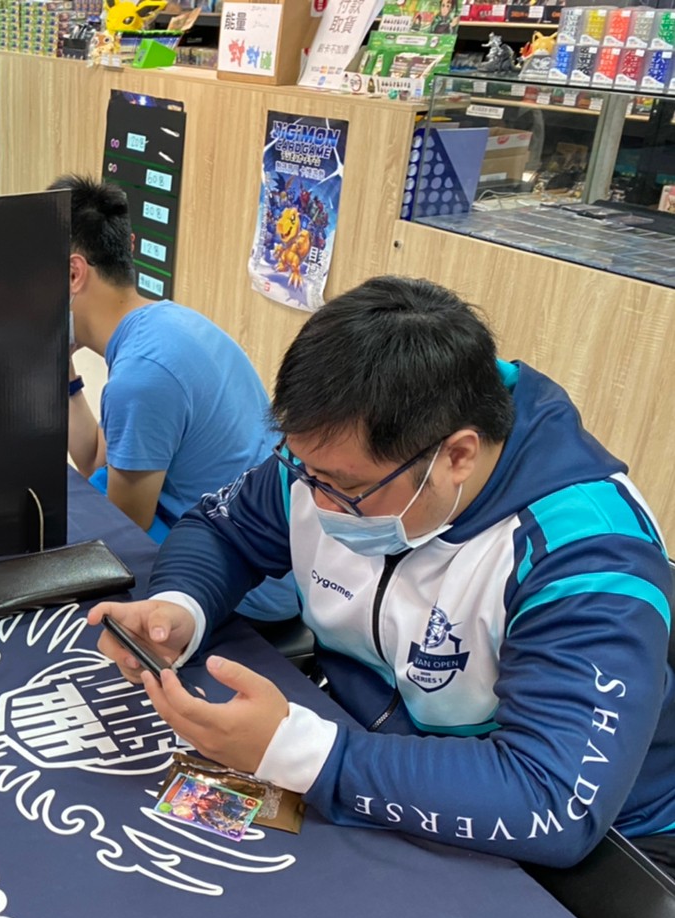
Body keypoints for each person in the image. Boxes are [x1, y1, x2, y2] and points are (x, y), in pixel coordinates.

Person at [90, 276, 675, 871]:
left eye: (346, 488)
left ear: (457, 455)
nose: (315, 502)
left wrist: (308, 755)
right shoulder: (331, 459)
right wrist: (180, 607)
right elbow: (224, 530)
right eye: (305, 471)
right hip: (370, 748)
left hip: (598, 853)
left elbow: (552, 798)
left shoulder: (589, 555)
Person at [58, 175, 297, 622]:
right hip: (268, 557)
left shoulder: (141, 377)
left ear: (74, 273)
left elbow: (123, 530)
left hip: (247, 587)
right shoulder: (166, 325)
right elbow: (94, 459)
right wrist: (62, 367)